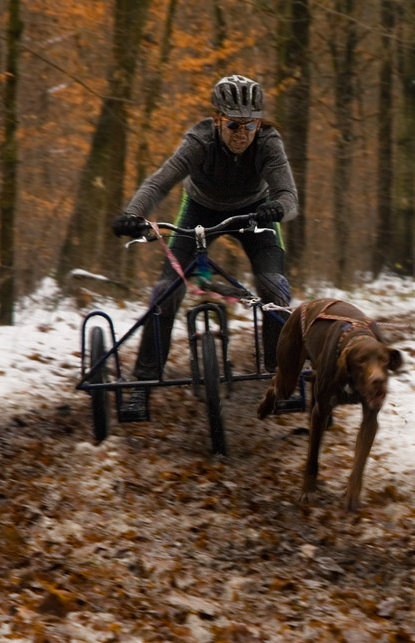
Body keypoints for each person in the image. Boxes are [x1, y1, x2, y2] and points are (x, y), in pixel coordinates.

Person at [112, 74, 297, 414]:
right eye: (232, 125)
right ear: (216, 120)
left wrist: (278, 207)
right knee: (165, 292)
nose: (242, 134)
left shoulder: (269, 141)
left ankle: (281, 375)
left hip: (256, 213)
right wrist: (133, 214)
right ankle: (142, 384)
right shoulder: (200, 140)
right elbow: (159, 182)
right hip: (200, 209)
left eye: (250, 126)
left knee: (275, 290)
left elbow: (288, 196)